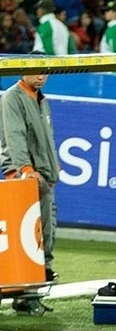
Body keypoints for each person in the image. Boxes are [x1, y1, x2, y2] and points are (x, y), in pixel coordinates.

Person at [0, 72, 60, 313]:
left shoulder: (41, 99)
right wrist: (25, 169)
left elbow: (47, 137)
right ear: (24, 70)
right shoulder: (12, 98)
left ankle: (30, 294)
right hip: (26, 176)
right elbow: (14, 135)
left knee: (43, 232)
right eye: (36, 70)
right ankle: (26, 295)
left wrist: (52, 166)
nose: (41, 76)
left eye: (45, 71)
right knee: (27, 236)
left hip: (42, 176)